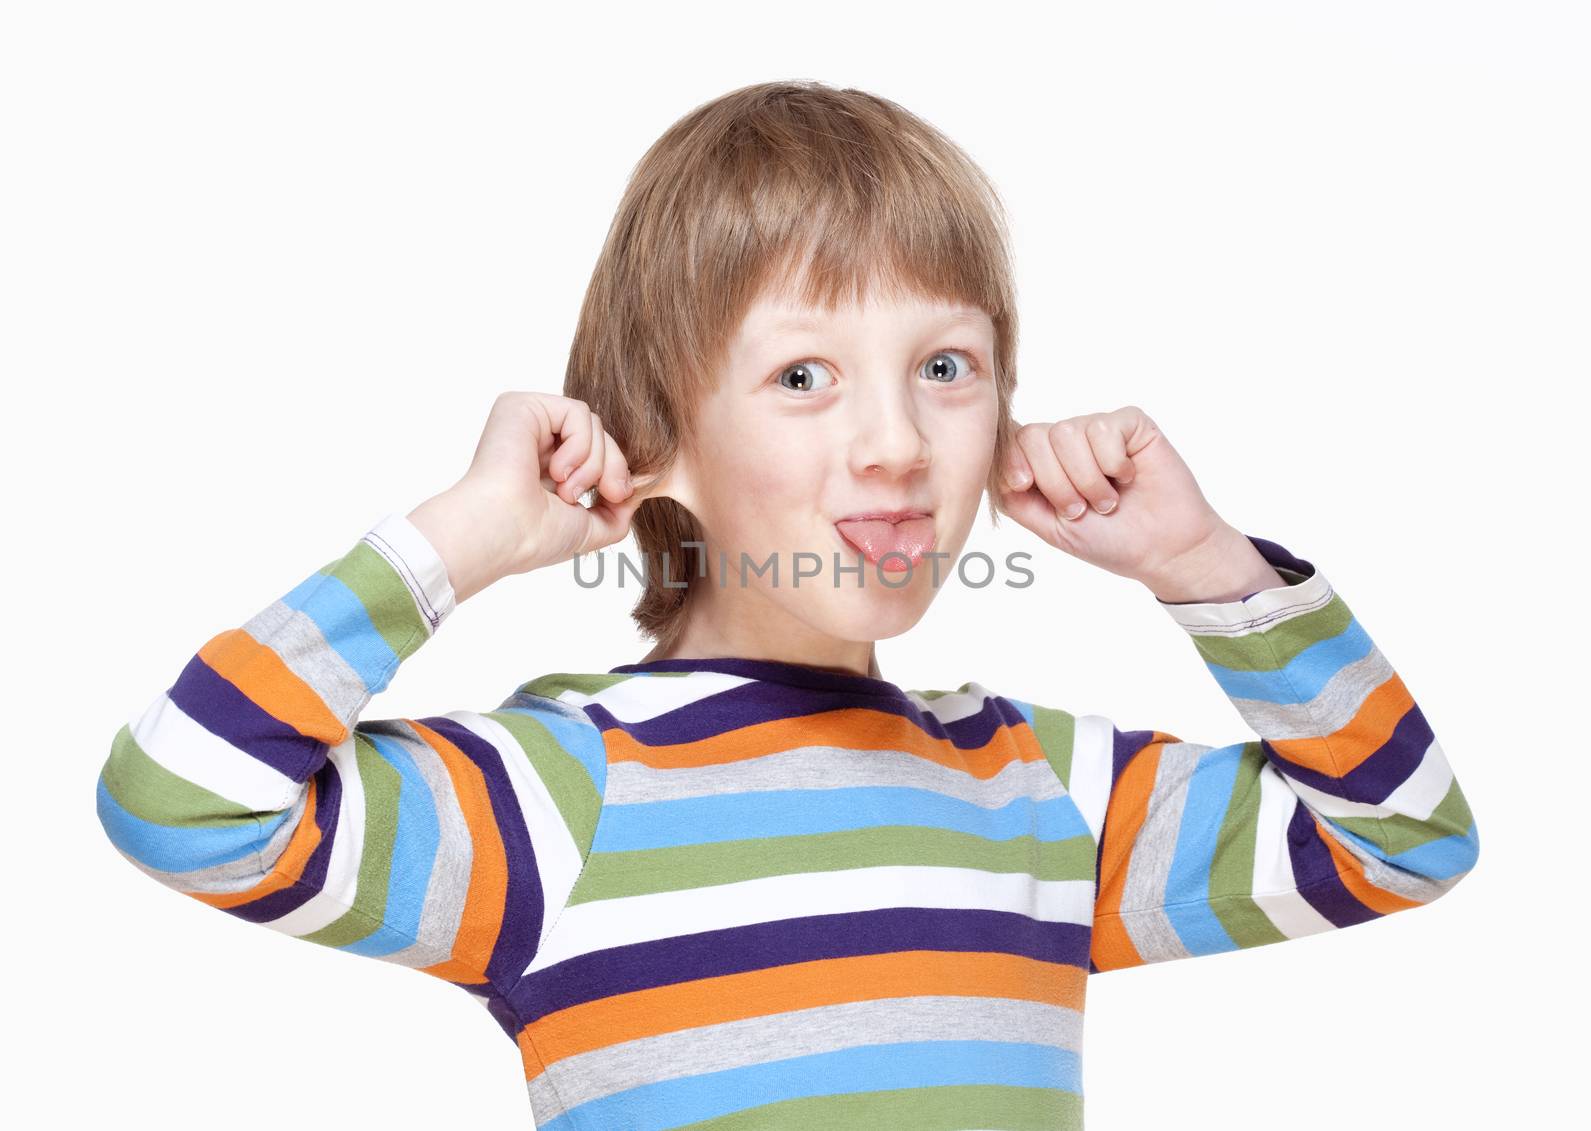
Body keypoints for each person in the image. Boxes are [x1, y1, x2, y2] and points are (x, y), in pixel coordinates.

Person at [95, 80, 1480, 1130]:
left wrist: (1204, 565)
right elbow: (186, 802)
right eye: (803, 376)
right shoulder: (557, 799)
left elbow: (1405, 844)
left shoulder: (1037, 789)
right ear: (660, 439)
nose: (895, 440)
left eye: (946, 365)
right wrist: (463, 537)